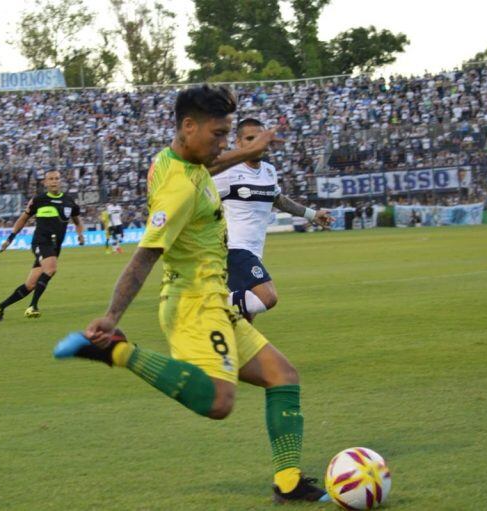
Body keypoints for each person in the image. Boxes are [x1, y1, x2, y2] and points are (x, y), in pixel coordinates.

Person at [53, 85, 330, 503]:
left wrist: (253, 146)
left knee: (282, 376)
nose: (222, 143)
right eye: (217, 134)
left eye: (226, 135)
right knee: (220, 402)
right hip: (193, 305)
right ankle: (116, 351)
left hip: (215, 300)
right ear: (187, 127)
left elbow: (217, 160)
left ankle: (288, 482)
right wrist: (112, 315)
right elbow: (145, 256)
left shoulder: (180, 160)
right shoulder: (180, 188)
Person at [213, 118, 332, 322]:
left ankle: (229, 349)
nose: (256, 142)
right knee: (267, 297)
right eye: (250, 138)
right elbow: (197, 195)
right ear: (238, 143)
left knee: (244, 318)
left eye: (260, 137)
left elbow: (278, 199)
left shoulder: (268, 171)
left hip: (253, 251)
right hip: (234, 249)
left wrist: (312, 215)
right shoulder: (227, 172)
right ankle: (206, 307)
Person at [0, 169, 85, 320]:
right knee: (51, 269)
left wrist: (80, 234)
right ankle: (32, 306)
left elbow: (77, 221)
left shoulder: (69, 201)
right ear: (45, 183)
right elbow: (23, 219)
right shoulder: (38, 200)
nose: (54, 181)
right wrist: (10, 239)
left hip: (55, 247)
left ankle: (0, 306)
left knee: (30, 285)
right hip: (40, 242)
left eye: (57, 178)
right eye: (51, 179)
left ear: (60, 181)